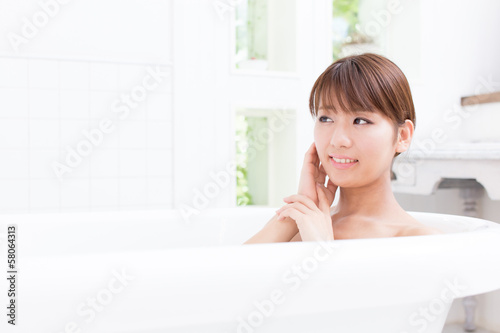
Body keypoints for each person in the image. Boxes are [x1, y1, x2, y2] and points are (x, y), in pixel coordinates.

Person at [244, 53, 443, 244]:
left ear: (402, 136)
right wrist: (297, 210)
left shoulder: (420, 240)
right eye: (326, 118)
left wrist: (321, 249)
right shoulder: (304, 225)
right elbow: (229, 274)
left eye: (361, 121)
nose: (338, 140)